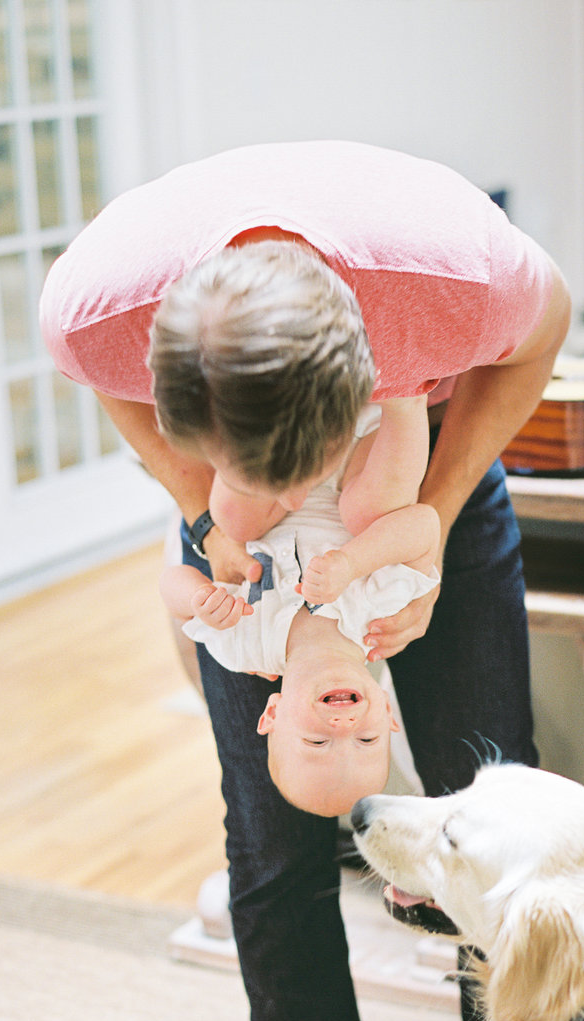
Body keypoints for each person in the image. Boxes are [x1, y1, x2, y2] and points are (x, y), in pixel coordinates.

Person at [39, 140, 584, 1021]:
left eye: (307, 469)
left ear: (371, 387)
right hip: (243, 558)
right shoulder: (95, 307)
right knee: (272, 844)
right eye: (262, 470)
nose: (303, 505)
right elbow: (113, 400)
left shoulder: (455, 281)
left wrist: (427, 515)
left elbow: (547, 329)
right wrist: (203, 507)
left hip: (421, 503)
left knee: (500, 815)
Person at [157, 251, 442, 817]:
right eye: (366, 740)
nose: (343, 725)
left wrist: (200, 597)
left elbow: (171, 582)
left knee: (234, 520)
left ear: (272, 715)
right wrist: (354, 563)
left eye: (317, 741)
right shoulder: (380, 622)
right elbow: (424, 526)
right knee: (372, 510)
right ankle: (408, 394)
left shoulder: (244, 645)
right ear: (387, 714)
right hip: (355, 449)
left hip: (267, 465)